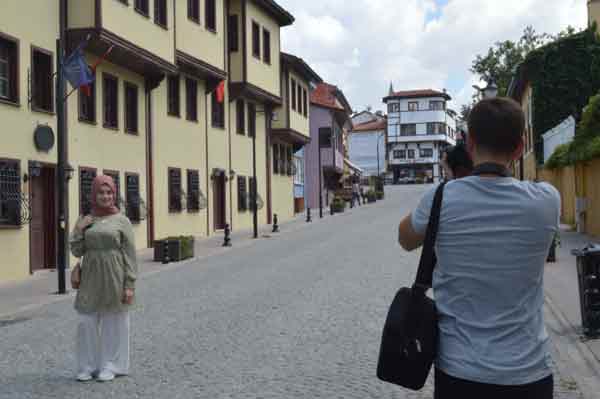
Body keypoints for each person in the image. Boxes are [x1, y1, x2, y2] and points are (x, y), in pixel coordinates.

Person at [397, 98, 560, 398]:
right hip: (529, 373)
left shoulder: (441, 197)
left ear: (469, 144)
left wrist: (446, 187)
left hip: (460, 373)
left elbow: (405, 238)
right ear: (521, 147)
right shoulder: (547, 200)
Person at [70, 175, 138, 382]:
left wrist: (129, 284)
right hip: (91, 275)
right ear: (94, 195)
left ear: (114, 195)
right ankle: (87, 366)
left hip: (115, 274)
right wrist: (79, 229)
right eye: (101, 192)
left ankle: (111, 365)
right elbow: (77, 250)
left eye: (109, 192)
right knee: (86, 321)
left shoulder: (122, 220)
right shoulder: (86, 219)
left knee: (113, 322)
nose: (105, 196)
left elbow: (130, 254)